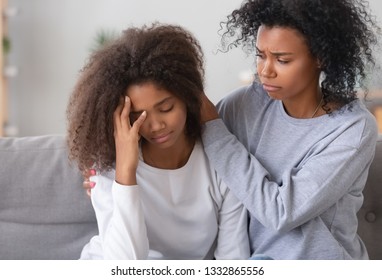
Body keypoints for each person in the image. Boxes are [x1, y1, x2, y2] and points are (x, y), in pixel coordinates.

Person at [199, 0, 380, 259]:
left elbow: (283, 212)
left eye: (282, 60)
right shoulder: (245, 104)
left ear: (320, 58)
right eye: (260, 55)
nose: (265, 71)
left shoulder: (352, 129)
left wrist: (214, 130)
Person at [66, 23, 250, 260]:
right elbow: (124, 267)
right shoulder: (110, 168)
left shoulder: (221, 161)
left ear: (187, 97)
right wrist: (125, 172)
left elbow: (234, 261)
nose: (155, 126)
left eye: (165, 108)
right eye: (137, 117)